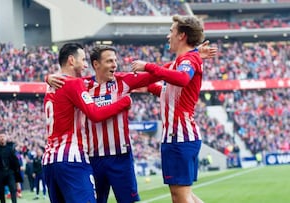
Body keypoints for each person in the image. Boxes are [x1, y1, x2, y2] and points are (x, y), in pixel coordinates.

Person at [46, 43, 216, 203]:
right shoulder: (83, 85)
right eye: (109, 61)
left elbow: (156, 74)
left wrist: (192, 56)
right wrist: (48, 77)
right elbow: (63, 85)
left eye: (115, 60)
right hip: (93, 158)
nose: (115, 64)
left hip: (121, 157)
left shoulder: (124, 81)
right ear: (96, 64)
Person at [42, 42, 132, 203]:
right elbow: (95, 114)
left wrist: (47, 77)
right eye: (83, 60)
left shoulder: (50, 86)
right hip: (71, 158)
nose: (85, 65)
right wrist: (124, 102)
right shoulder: (74, 83)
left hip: (49, 161)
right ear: (71, 60)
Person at [131, 14, 206, 203]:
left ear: (182, 35)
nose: (168, 36)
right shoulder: (178, 63)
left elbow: (182, 78)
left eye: (171, 31)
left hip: (179, 137)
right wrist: (143, 86)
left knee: (180, 197)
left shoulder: (188, 60)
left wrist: (148, 65)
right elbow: (166, 90)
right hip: (178, 137)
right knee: (184, 194)